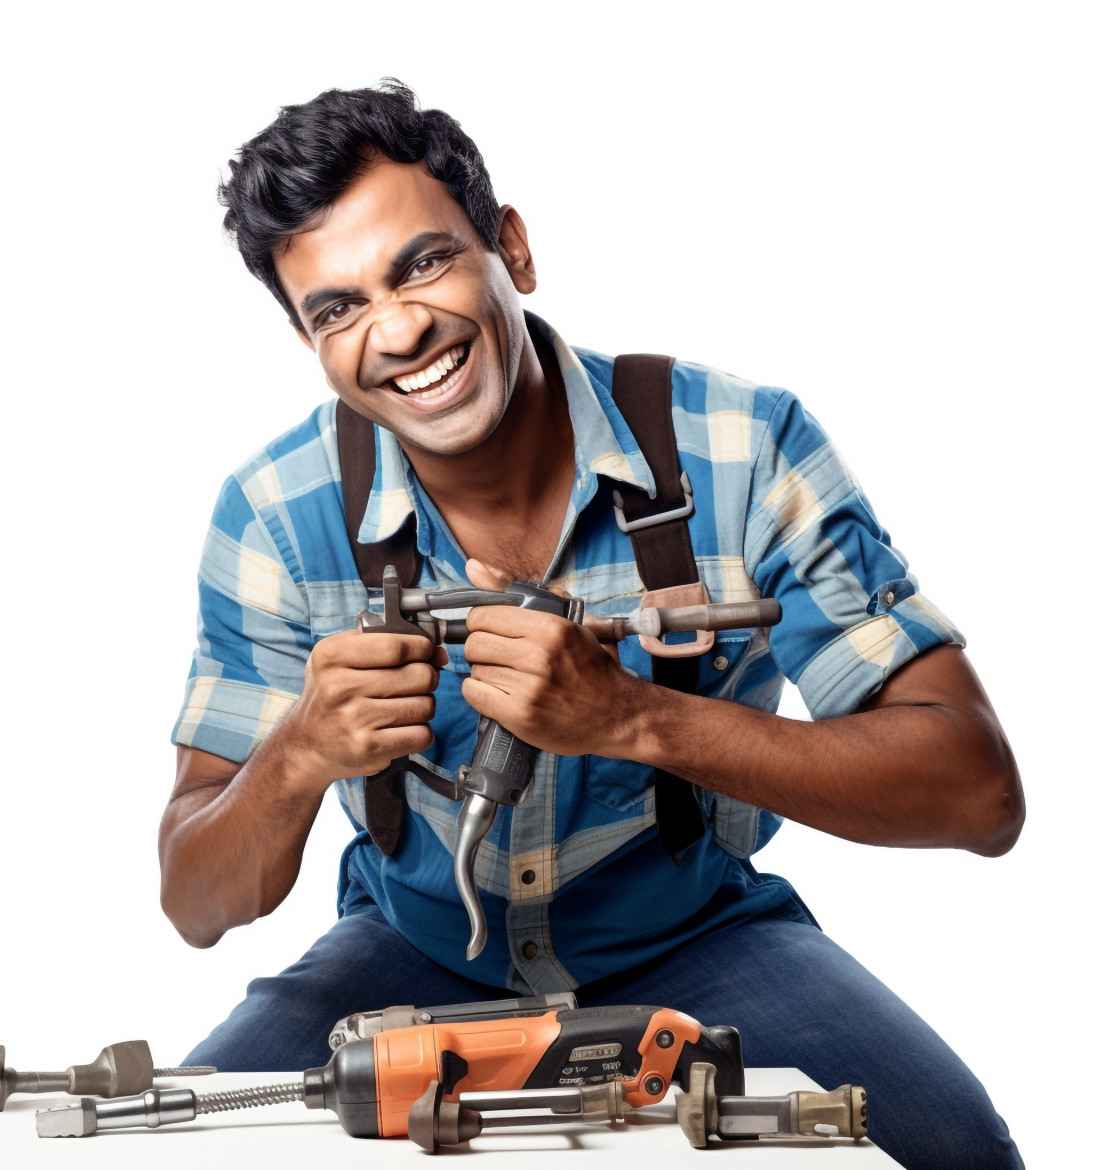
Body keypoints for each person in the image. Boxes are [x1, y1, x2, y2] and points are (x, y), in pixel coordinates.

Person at [160, 82, 1025, 1168]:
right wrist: (298, 754)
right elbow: (193, 897)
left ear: (509, 250)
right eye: (336, 309)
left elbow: (978, 794)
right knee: (173, 1149)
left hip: (702, 942)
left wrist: (634, 719)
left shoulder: (741, 446)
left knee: (953, 1150)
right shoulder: (274, 516)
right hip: (407, 953)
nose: (396, 329)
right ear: (308, 341)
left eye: (422, 263)